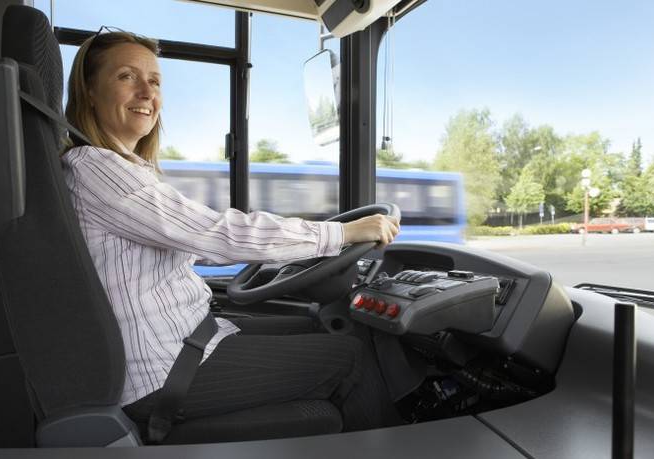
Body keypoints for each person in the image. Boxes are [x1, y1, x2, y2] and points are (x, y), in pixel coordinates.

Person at [61, 29, 402, 435]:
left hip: (186, 340)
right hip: (162, 369)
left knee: (319, 323)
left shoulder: (121, 170)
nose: (146, 92)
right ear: (88, 91)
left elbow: (194, 244)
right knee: (352, 357)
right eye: (126, 77)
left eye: (154, 81)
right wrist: (341, 234)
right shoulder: (96, 168)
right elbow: (216, 234)